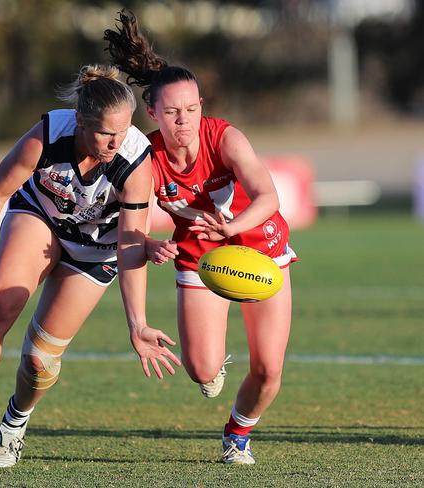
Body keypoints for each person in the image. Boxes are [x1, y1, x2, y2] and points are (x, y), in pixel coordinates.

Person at [0, 64, 182, 473]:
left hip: (96, 250)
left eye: (124, 130)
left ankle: (14, 423)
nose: (116, 142)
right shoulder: (47, 135)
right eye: (104, 133)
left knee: (39, 361)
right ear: (80, 121)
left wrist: (138, 323)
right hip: (40, 218)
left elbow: (131, 244)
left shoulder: (133, 162)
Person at [105, 11, 298, 465]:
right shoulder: (146, 157)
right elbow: (131, 224)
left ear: (202, 107)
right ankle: (212, 368)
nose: (183, 120)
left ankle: (238, 434)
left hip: (260, 248)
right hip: (200, 254)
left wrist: (232, 227)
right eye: (171, 112)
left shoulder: (225, 137)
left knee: (269, 369)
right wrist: (152, 245)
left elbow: (268, 195)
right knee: (202, 370)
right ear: (151, 112)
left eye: (192, 109)